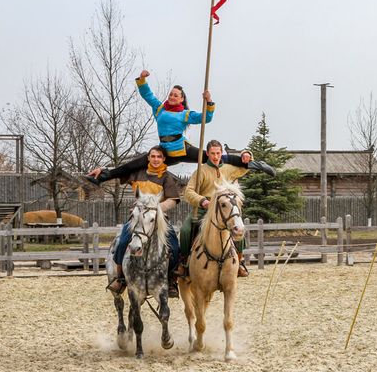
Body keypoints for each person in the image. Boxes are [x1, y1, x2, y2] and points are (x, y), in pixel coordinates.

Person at [85, 70, 275, 185]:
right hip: (164, 151)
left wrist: (209, 101)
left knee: (214, 157)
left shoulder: (185, 114)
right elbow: (147, 94)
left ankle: (255, 164)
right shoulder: (160, 109)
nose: (172, 96)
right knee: (133, 164)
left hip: (181, 149)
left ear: (182, 99)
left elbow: (206, 118)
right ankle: (101, 176)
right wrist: (142, 79)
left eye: (176, 95)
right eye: (171, 94)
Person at [102, 146, 182, 297]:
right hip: (137, 218)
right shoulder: (138, 173)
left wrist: (156, 208)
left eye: (159, 156)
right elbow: (119, 172)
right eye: (153, 156)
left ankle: (171, 280)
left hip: (158, 218)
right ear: (148, 158)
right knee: (122, 242)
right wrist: (104, 172)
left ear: (164, 159)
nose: (156, 159)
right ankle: (120, 279)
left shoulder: (166, 177)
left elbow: (172, 200)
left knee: (175, 246)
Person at [178, 139, 251, 278]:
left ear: (221, 153)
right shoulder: (201, 170)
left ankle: (240, 261)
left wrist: (247, 154)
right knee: (185, 230)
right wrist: (202, 200)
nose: (216, 157)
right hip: (203, 208)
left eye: (218, 153)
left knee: (238, 228)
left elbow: (245, 167)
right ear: (208, 153)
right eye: (212, 153)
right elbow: (188, 191)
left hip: (224, 209)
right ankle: (184, 261)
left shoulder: (229, 169)